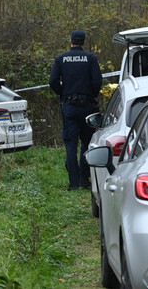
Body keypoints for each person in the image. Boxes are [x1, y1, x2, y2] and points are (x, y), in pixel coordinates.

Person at [49, 30, 103, 190]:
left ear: (71, 41)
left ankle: (73, 183)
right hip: (87, 105)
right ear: (84, 42)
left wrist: (63, 93)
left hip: (69, 106)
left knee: (70, 144)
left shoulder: (61, 59)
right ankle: (83, 178)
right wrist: (90, 95)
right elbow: (97, 81)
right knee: (87, 141)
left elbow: (52, 81)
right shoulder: (91, 58)